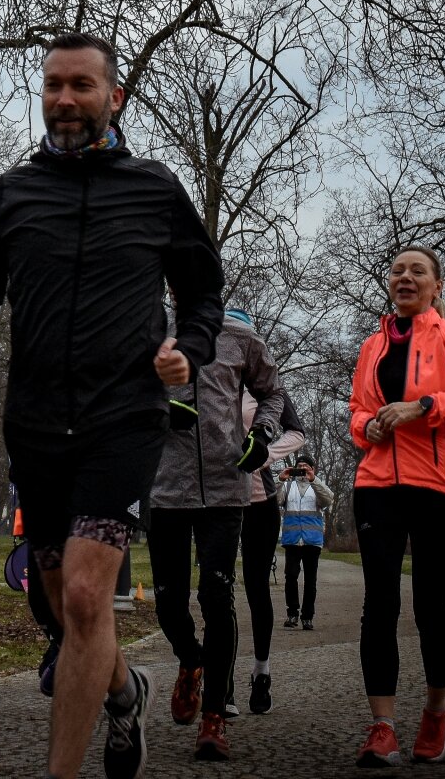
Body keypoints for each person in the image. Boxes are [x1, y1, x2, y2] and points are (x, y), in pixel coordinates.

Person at [0, 32, 225, 779]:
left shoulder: (154, 189)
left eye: (81, 86)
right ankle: (125, 692)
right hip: (36, 423)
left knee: (83, 592)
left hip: (123, 418)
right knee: (57, 602)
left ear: (115, 97)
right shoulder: (13, 192)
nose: (65, 100)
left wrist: (189, 349)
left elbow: (203, 292)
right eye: (53, 86)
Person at [348, 246, 445, 767]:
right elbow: (357, 409)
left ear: (436, 287)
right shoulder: (371, 346)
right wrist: (366, 427)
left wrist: (425, 406)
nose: (406, 277)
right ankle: (383, 728)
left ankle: (436, 712)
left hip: (438, 488)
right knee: (379, 604)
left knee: (429, 607)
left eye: (418, 271)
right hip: (377, 486)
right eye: (398, 270)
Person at [146, 307, 283, 760]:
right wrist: (160, 410)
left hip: (225, 488)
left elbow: (273, 394)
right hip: (165, 488)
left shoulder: (241, 337)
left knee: (216, 597)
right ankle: (190, 660)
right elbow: (119, 392)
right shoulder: (151, 333)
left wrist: (261, 435)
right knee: (168, 603)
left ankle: (214, 717)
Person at [240, 388, 307, 712]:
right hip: (217, 500)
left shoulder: (265, 386)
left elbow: (297, 433)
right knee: (216, 591)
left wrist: (264, 455)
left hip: (259, 502)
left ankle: (261, 672)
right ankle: (220, 684)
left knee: (257, 589)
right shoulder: (208, 374)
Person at [278, 457, 334, 631]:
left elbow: (328, 500)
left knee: (310, 581)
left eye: (306, 466)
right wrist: (280, 480)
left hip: (312, 541)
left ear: (312, 469)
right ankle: (292, 614)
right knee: (290, 577)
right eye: (299, 466)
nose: (302, 469)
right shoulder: (288, 486)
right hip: (292, 540)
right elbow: (276, 500)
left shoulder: (317, 486)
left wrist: (313, 479)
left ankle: (307, 617)